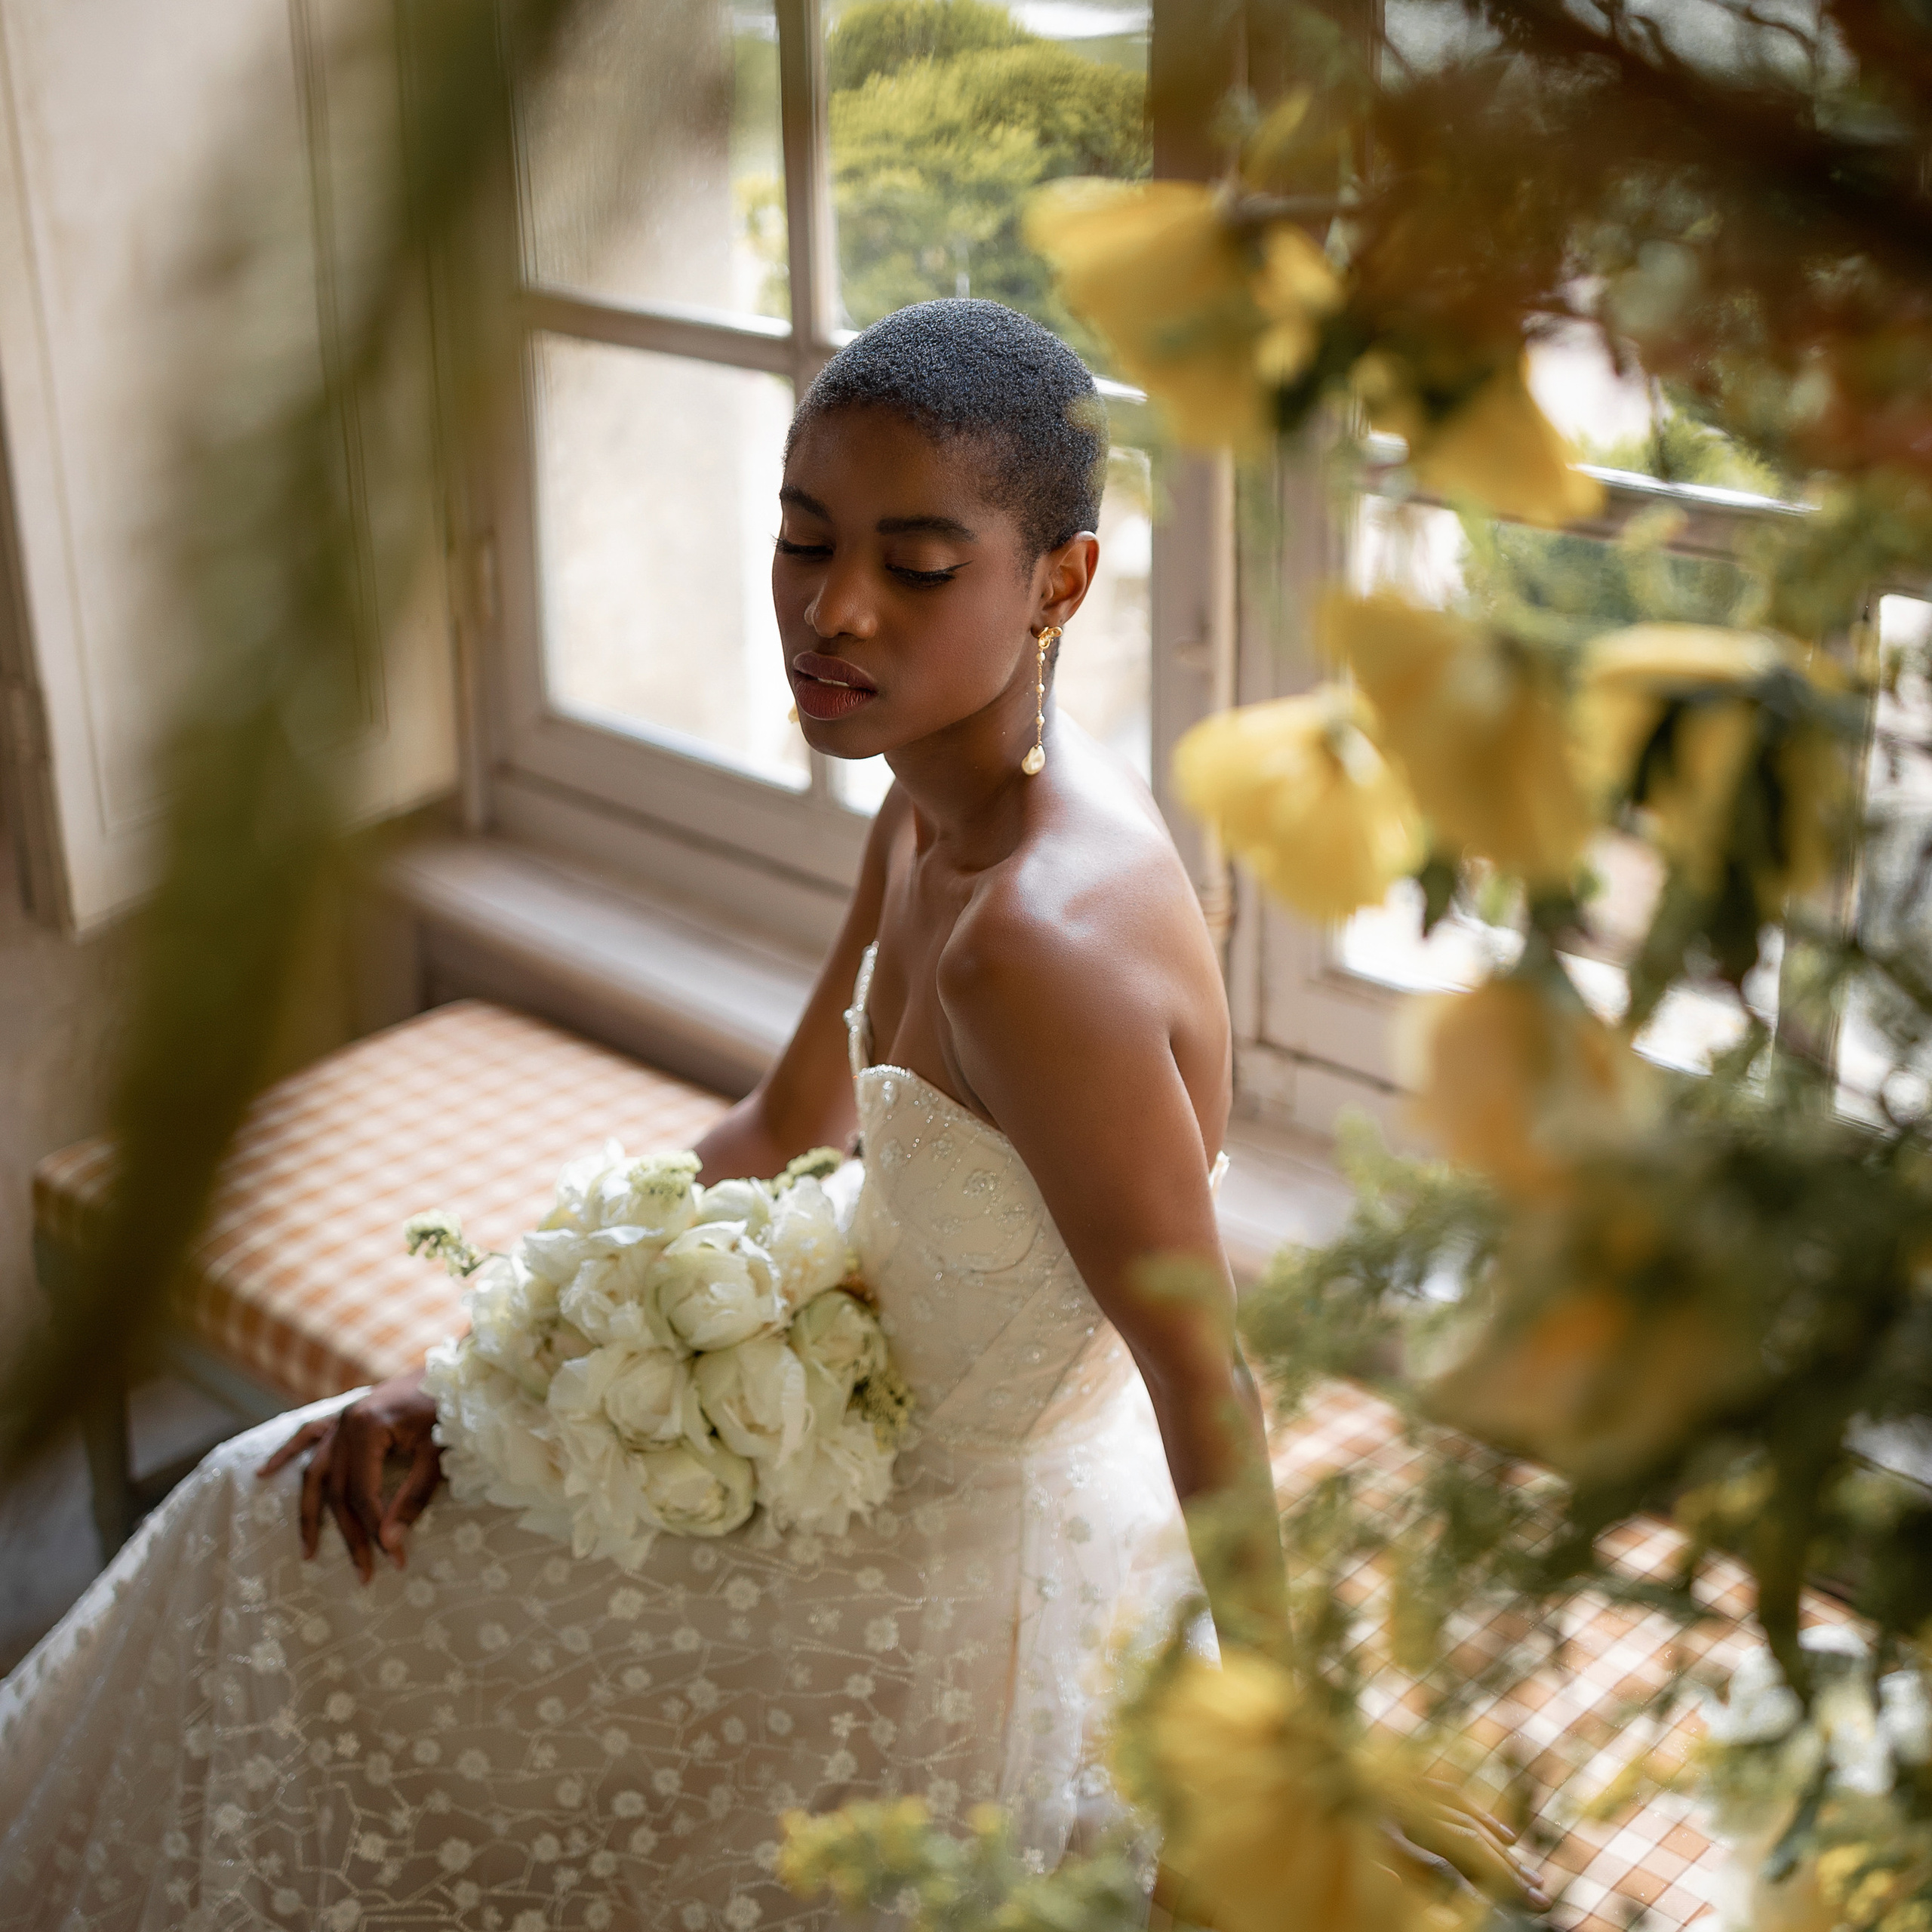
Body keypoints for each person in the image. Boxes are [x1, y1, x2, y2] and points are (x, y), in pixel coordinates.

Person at [0, 300, 1531, 1930]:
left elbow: (1197, 1362)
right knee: (271, 1492)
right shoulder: (925, 803)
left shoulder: (1034, 947)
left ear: (1060, 583)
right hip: (840, 1431)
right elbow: (780, 1120)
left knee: (273, 1556)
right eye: (803, 540)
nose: (832, 609)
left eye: (917, 565)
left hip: (960, 1579)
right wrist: (475, 1372)